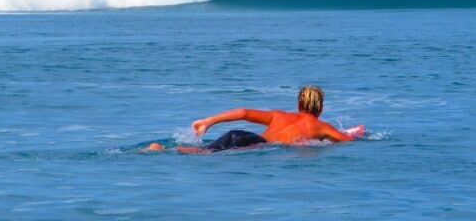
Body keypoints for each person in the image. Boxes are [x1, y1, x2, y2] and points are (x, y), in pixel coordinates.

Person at [143, 85, 363, 153]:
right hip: (255, 144)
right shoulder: (321, 126)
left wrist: (208, 121)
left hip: (241, 135)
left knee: (205, 151)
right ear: (321, 108)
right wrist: (357, 134)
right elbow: (346, 139)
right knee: (204, 155)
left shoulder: (279, 115)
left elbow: (244, 113)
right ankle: (162, 150)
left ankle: (160, 148)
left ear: (298, 104)